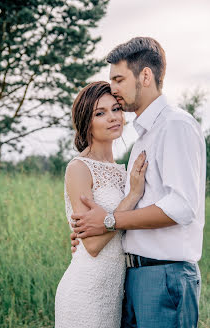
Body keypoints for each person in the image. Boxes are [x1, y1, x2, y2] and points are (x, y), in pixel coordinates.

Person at [71, 37, 206, 328]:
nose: (114, 89)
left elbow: (181, 207)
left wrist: (109, 221)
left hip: (164, 276)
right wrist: (88, 236)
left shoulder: (175, 125)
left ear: (145, 76)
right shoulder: (144, 137)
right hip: (134, 277)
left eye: (118, 79)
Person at [55, 81, 148, 328]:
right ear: (87, 122)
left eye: (116, 109)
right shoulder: (79, 169)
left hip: (115, 292)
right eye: (100, 113)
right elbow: (93, 245)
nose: (112, 118)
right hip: (85, 292)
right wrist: (131, 197)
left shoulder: (122, 170)